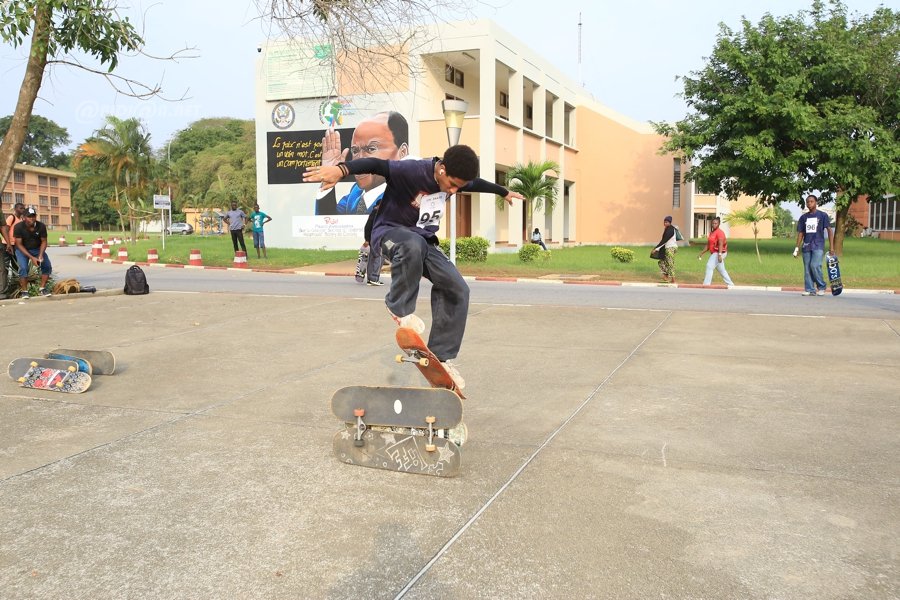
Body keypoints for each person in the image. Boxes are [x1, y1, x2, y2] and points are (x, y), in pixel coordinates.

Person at [304, 143, 524, 389]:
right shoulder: (412, 170)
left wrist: (502, 191)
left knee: (458, 288)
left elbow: (477, 183)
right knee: (412, 244)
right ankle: (399, 308)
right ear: (441, 168)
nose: (452, 190)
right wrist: (342, 171)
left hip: (422, 240)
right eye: (451, 184)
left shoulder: (456, 180)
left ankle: (442, 356)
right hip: (389, 234)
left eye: (458, 188)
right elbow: (377, 165)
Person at [315, 111, 409, 215]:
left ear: (403, 152)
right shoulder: (355, 193)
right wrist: (328, 180)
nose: (359, 160)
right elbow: (328, 226)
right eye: (355, 151)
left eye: (371, 149)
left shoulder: (408, 197)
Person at [793, 194, 834, 296]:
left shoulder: (822, 215)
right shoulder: (803, 217)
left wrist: (832, 247)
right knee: (807, 268)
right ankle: (810, 289)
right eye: (807, 202)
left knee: (815, 265)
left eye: (811, 201)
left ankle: (821, 286)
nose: (809, 203)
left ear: (816, 203)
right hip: (806, 245)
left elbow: (829, 230)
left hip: (818, 244)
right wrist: (797, 248)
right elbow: (801, 233)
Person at [13, 207, 52, 298]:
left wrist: (41, 255)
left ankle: (42, 289)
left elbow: (44, 241)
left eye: (33, 216)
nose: (32, 218)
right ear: (24, 217)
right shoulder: (18, 227)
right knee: (23, 268)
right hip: (22, 250)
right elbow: (19, 244)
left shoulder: (41, 226)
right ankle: (24, 291)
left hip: (37, 249)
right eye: (29, 217)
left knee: (47, 265)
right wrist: (32, 257)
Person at [697, 217, 734, 286]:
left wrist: (719, 255)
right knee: (722, 270)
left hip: (720, 252)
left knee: (709, 266)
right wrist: (701, 253)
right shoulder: (712, 233)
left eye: (715, 223)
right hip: (715, 253)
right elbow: (708, 245)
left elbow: (720, 244)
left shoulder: (720, 233)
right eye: (713, 223)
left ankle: (706, 285)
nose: (714, 224)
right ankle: (731, 284)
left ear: (719, 224)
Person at [653, 215, 679, 283]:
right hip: (668, 248)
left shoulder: (671, 230)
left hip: (671, 248)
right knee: (661, 262)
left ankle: (673, 279)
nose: (665, 223)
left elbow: (664, 240)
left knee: (670, 263)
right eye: (664, 222)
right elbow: (664, 240)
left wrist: (656, 249)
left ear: (670, 222)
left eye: (667, 222)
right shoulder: (667, 229)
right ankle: (666, 275)